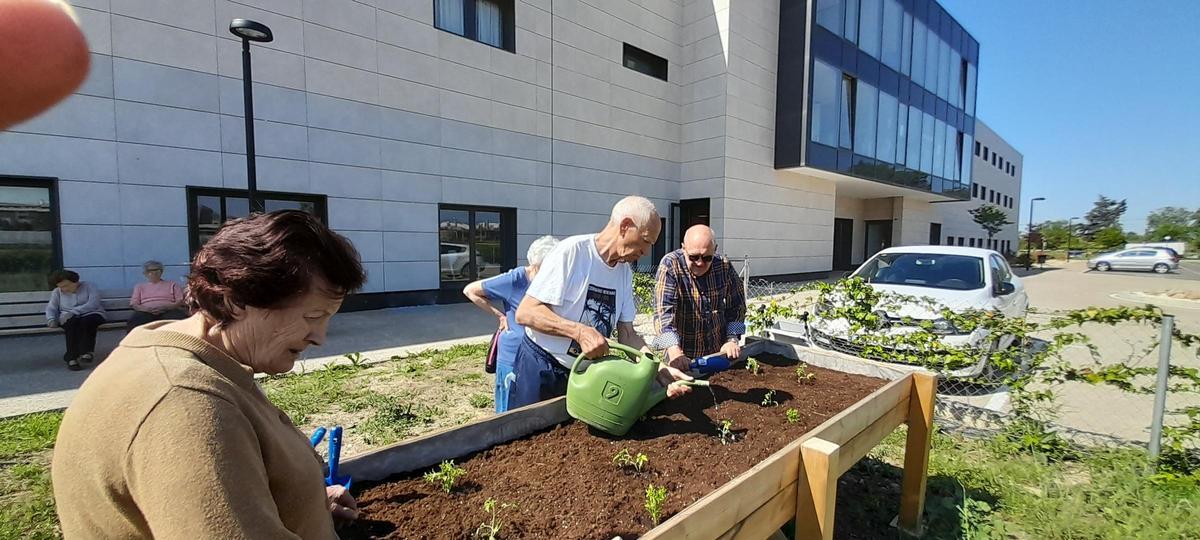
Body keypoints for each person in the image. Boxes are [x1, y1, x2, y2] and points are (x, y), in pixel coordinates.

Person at [53, 210, 364, 538]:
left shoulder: (192, 361)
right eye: (313, 316)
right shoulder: (184, 405)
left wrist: (304, 506)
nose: (319, 337)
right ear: (237, 300)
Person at [513, 195, 693, 410]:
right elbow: (526, 312)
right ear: (625, 226)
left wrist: (658, 369)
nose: (646, 252)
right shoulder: (573, 253)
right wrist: (578, 331)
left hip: (586, 373)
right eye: (645, 241)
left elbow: (627, 334)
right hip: (542, 368)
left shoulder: (624, 273)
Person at [463, 235, 560, 413]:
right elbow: (470, 290)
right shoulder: (515, 279)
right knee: (508, 409)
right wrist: (500, 316)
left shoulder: (552, 282)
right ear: (536, 265)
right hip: (512, 355)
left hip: (538, 357)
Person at [652, 225, 747, 372]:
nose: (700, 263)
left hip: (717, 352)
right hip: (682, 356)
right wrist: (673, 349)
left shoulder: (723, 266)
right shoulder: (670, 266)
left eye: (707, 257)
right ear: (683, 249)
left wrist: (732, 338)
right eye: (694, 257)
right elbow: (663, 315)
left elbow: (737, 305)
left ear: (715, 249)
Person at [44, 269, 107, 371]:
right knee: (71, 324)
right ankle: (71, 358)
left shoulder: (89, 286)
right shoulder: (57, 292)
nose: (65, 289)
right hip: (67, 317)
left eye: (67, 285)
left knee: (87, 321)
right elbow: (51, 307)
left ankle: (86, 352)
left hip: (92, 312)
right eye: (61, 287)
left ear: (75, 281)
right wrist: (51, 319)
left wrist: (74, 312)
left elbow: (93, 303)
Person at [126, 260, 188, 331]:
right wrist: (147, 309)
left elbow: (180, 300)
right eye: (150, 271)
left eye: (157, 270)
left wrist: (166, 307)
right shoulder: (139, 287)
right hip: (146, 312)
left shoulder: (173, 285)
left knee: (179, 319)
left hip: (169, 310)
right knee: (135, 321)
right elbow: (134, 304)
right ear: (145, 273)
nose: (154, 273)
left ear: (161, 272)